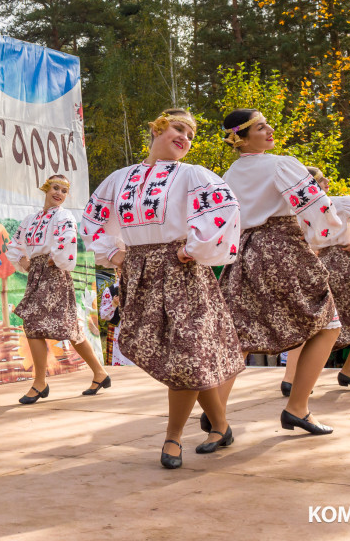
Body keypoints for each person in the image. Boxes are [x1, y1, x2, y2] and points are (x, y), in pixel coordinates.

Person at [81, 108, 244, 469]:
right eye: (179, 128)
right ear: (157, 128)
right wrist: (113, 251)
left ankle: (173, 437)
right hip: (140, 274)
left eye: (191, 134)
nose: (186, 137)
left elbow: (226, 210)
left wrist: (193, 248)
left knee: (186, 353)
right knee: (181, 355)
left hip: (183, 271)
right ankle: (220, 426)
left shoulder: (192, 175)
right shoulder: (119, 179)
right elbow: (93, 218)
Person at [216, 109, 342, 435]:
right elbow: (317, 207)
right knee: (327, 324)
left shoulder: (228, 175)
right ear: (242, 139)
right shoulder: (281, 164)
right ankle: (297, 408)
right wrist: (319, 240)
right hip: (283, 249)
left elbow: (223, 221)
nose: (270, 129)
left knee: (240, 333)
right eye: (261, 127)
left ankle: (216, 416)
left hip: (244, 255)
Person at [281, 167, 350, 394]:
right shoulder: (338, 203)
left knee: (309, 321)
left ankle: (290, 379)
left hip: (308, 267)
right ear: (316, 185)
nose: (328, 181)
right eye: (322, 179)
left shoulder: (291, 211)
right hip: (339, 264)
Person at [7, 174, 110, 403]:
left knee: (37, 323)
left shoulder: (64, 216)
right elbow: (15, 243)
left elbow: (67, 239)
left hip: (54, 274)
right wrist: (24, 261)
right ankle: (99, 373)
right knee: (64, 327)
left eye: (64, 191)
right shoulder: (31, 219)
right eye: (55, 188)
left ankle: (40, 383)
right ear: (46, 188)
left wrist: (55, 259)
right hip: (37, 274)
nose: (59, 194)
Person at [99, 270, 134, 366]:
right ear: (116, 272)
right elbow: (103, 315)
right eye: (120, 271)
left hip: (134, 331)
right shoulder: (110, 290)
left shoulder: (138, 288)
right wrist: (113, 304)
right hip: (117, 332)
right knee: (118, 363)